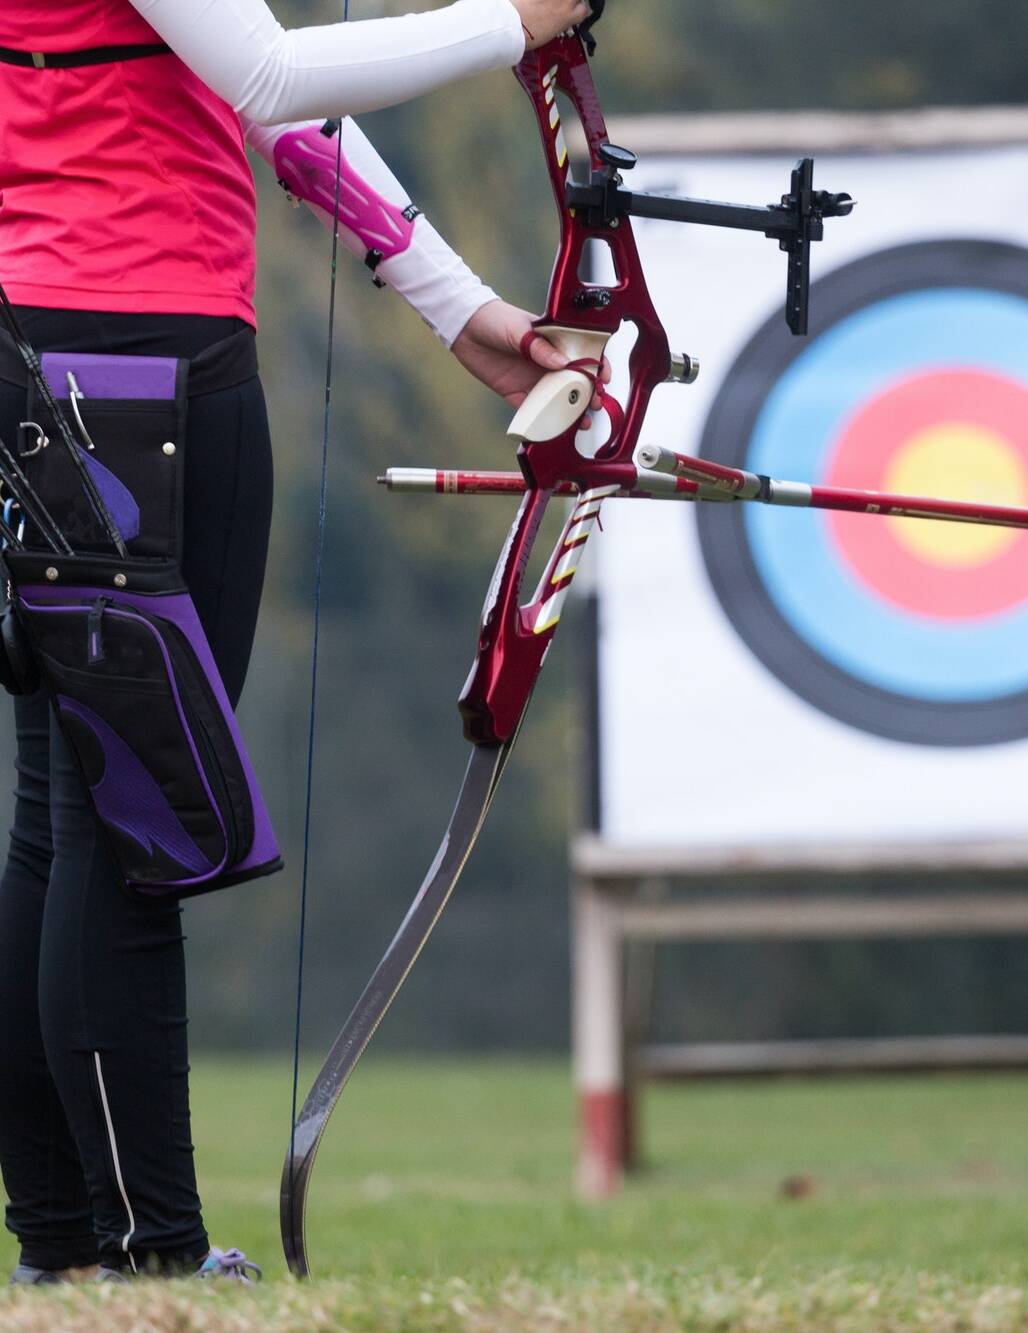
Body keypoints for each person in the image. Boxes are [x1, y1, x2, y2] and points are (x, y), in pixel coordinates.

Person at [0, 0, 593, 1284]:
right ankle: (142, 1255)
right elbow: (270, 72)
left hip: (56, 355)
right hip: (139, 366)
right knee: (127, 821)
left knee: (62, 822)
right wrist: (520, 20)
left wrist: (452, 302)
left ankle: (69, 1246)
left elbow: (243, 88)